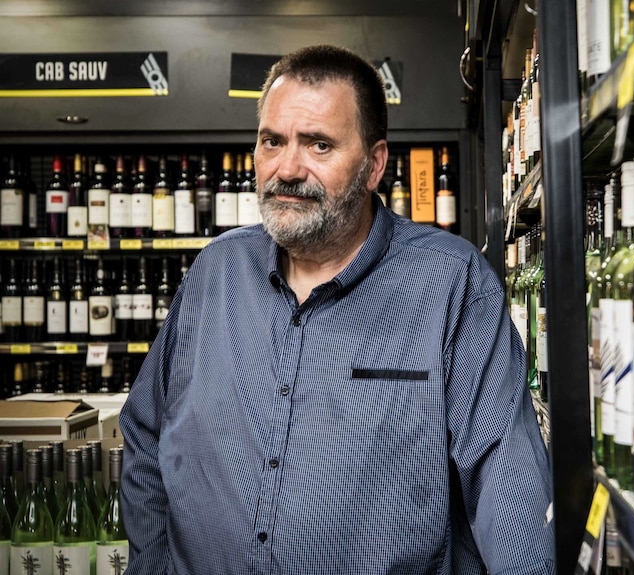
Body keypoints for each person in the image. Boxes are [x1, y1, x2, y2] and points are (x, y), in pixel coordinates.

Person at [120, 44, 555, 575]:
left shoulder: (450, 284)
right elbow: (144, 433)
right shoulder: (216, 273)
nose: (287, 168)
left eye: (318, 145)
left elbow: (505, 476)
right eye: (272, 142)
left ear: (374, 165)